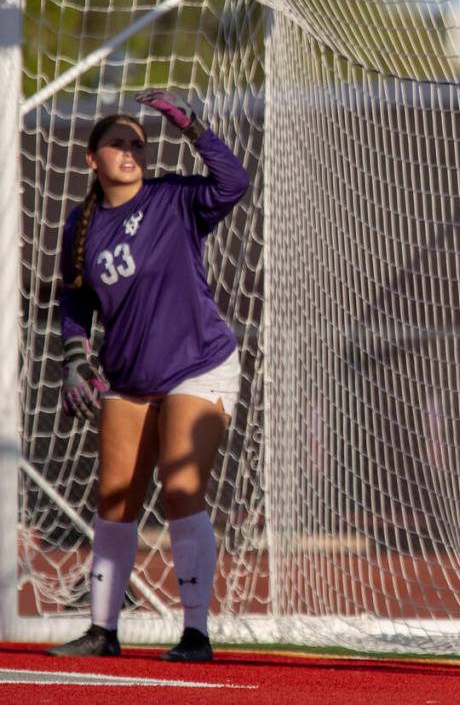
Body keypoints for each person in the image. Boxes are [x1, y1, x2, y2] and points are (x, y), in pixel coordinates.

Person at [47, 90, 249, 662]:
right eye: (117, 143)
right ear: (93, 158)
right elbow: (75, 300)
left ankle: (196, 634)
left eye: (138, 143)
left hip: (197, 363)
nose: (130, 151)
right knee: (114, 499)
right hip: (130, 375)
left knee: (181, 488)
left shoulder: (173, 198)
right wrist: (73, 357)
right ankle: (103, 631)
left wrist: (193, 128)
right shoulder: (79, 225)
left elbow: (233, 183)